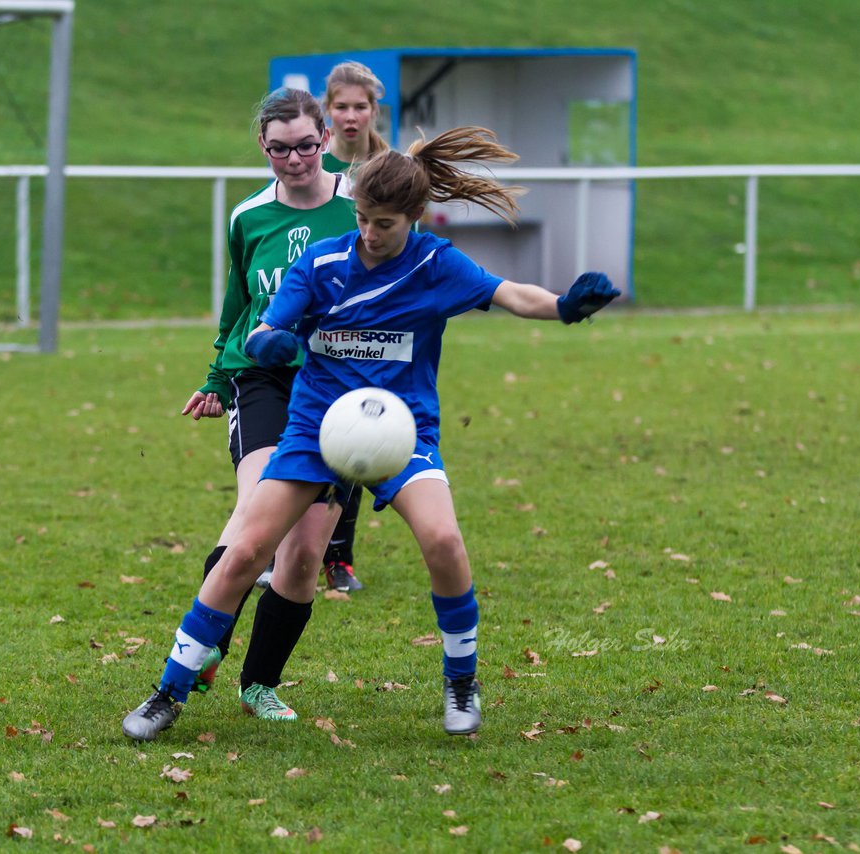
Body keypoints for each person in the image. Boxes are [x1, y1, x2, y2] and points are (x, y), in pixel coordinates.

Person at [123, 125, 620, 741]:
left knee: (443, 539)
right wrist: (270, 341)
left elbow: (510, 293)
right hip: (315, 426)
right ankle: (169, 692)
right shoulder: (324, 262)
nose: (368, 233)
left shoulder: (436, 264)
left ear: (414, 216)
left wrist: (565, 306)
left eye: (383, 222)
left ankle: (460, 680)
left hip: (401, 429)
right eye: (361, 217)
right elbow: (263, 325)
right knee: (247, 551)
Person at [179, 86, 358, 720]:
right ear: (263, 145)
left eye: (306, 146)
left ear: (326, 141)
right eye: (279, 149)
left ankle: (260, 684)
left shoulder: (360, 208)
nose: (294, 159)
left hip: (339, 390)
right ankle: (202, 652)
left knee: (306, 551)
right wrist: (214, 378)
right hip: (262, 380)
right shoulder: (249, 217)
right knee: (255, 517)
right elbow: (237, 308)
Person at [314, 60, 392, 593]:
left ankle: (338, 557)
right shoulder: (310, 169)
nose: (349, 115)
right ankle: (287, 545)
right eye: (340, 106)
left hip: (370, 326)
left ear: (373, 111)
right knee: (299, 437)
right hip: (313, 320)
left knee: (354, 437)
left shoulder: (388, 169)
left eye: (359, 106)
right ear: (327, 110)